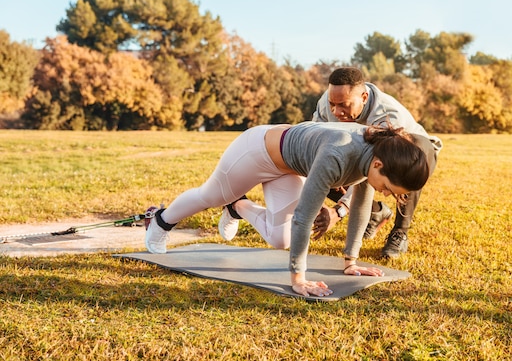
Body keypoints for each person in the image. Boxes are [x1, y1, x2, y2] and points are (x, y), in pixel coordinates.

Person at [144, 121, 435, 297]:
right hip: (256, 152)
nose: (383, 193)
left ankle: (237, 206)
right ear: (378, 165)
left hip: (287, 166)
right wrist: (298, 278)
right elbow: (304, 217)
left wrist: (351, 261)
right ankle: (162, 222)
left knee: (279, 239)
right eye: (387, 187)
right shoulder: (338, 155)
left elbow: (360, 206)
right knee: (209, 195)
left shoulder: (376, 156)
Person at [311, 67, 442, 258]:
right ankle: (376, 212)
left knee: (411, 162)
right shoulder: (328, 100)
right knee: (325, 162)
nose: (336, 111)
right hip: (362, 153)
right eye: (332, 104)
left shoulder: (387, 117)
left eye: (344, 105)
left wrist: (339, 211)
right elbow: (314, 142)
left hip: (413, 154)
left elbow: (372, 168)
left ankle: (400, 231)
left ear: (364, 97)